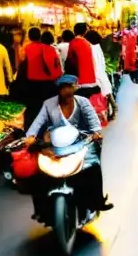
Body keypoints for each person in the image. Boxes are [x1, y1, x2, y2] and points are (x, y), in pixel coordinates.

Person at [26, 75, 112, 216]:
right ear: (59, 89)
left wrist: (96, 132)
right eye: (63, 87)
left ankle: (97, 202)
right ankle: (40, 211)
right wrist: (30, 136)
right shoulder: (49, 104)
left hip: (80, 142)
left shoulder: (83, 102)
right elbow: (38, 122)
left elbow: (93, 120)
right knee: (38, 174)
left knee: (94, 167)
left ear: (75, 87)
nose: (66, 90)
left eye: (69, 87)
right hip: (55, 145)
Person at [21, 28, 63, 130]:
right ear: (39, 35)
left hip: (31, 84)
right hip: (48, 85)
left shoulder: (26, 49)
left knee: (33, 109)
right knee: (49, 109)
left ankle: (32, 132)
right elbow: (57, 67)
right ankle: (49, 131)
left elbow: (21, 65)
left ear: (29, 36)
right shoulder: (50, 49)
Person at [85, 29, 116, 117]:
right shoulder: (97, 46)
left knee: (101, 95)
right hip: (101, 72)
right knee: (106, 91)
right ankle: (113, 108)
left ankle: (104, 112)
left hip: (95, 75)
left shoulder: (89, 47)